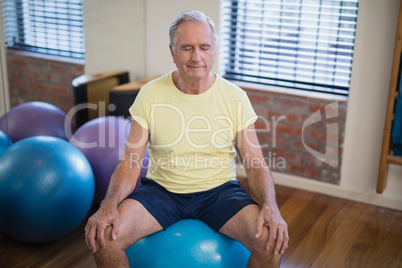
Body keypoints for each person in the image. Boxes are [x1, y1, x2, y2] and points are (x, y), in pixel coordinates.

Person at [84, 10, 289, 268]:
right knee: (104, 236)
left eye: (204, 47)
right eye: (187, 48)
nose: (196, 57)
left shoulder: (235, 97)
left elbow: (256, 164)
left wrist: (271, 206)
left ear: (214, 50)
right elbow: (130, 163)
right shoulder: (150, 95)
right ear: (172, 52)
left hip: (220, 192)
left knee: (272, 242)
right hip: (162, 192)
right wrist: (108, 205)